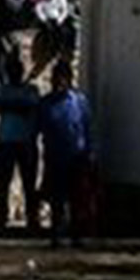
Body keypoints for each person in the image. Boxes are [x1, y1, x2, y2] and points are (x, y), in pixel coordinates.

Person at [38, 62, 95, 247]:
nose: (61, 82)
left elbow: (86, 128)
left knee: (77, 199)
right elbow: (39, 128)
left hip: (76, 157)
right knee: (57, 200)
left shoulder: (79, 102)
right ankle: (55, 235)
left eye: (64, 78)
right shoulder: (46, 103)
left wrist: (90, 152)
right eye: (57, 78)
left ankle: (76, 236)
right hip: (55, 156)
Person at [0, 60, 42, 233]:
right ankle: (1, 217)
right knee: (3, 183)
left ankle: (31, 218)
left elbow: (1, 104)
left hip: (18, 141)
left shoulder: (22, 91)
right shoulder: (24, 92)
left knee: (27, 183)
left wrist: (11, 105)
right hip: (13, 141)